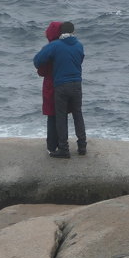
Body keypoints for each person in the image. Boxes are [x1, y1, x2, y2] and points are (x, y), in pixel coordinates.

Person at [32, 20, 86, 157]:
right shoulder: (79, 45)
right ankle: (82, 146)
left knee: (61, 117)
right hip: (77, 83)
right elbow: (80, 60)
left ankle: (63, 149)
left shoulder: (56, 45)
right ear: (73, 32)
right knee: (78, 114)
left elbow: (37, 60)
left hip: (61, 85)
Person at [35, 21, 63, 154]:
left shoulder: (49, 49)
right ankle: (63, 144)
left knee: (52, 116)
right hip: (64, 84)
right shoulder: (66, 48)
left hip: (50, 85)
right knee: (62, 116)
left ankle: (52, 146)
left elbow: (41, 71)